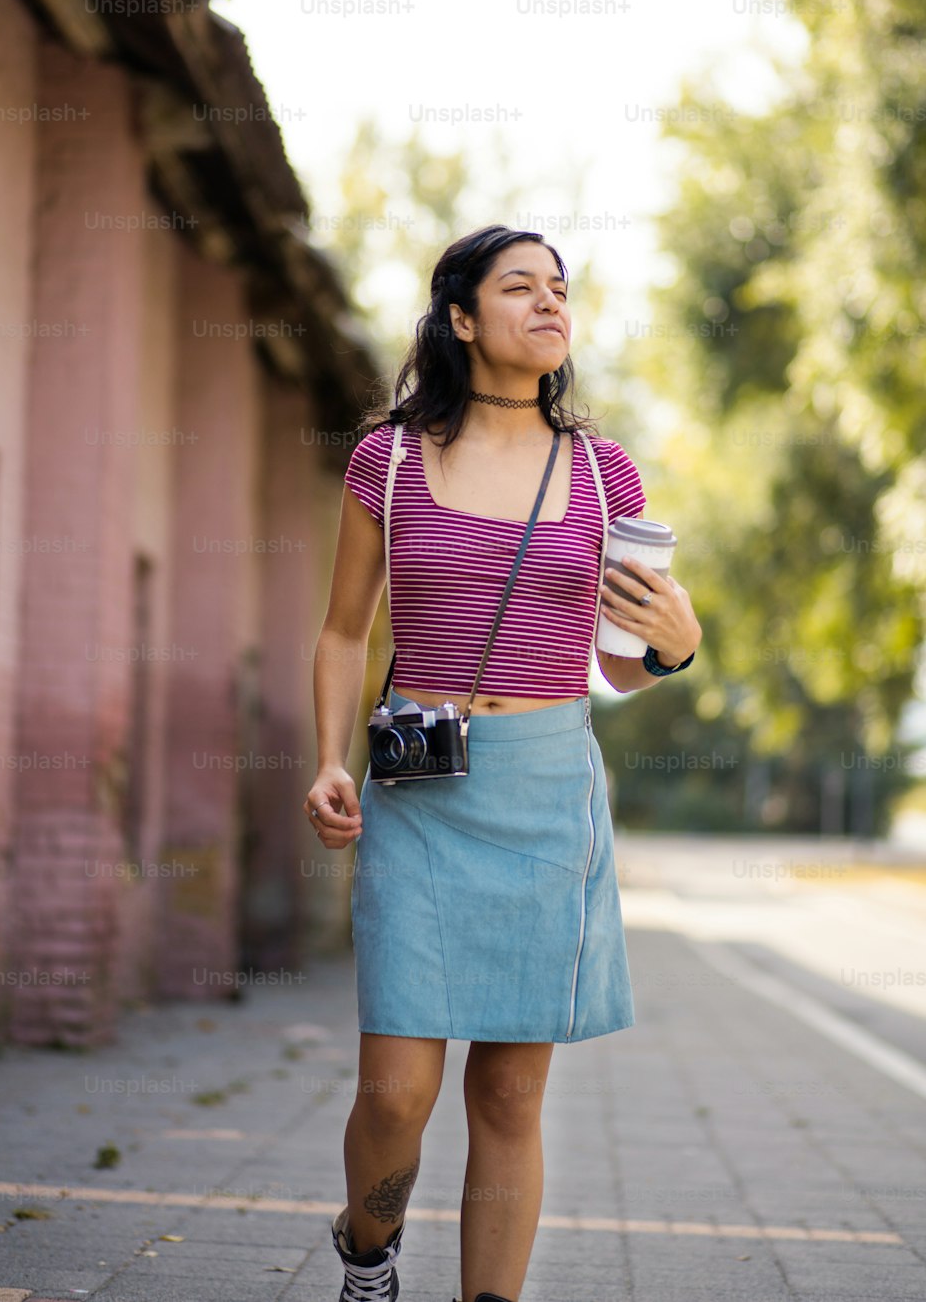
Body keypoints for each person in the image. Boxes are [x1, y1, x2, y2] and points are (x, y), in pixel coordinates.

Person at [305, 224, 702, 1302]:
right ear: (461, 318)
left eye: (559, 288)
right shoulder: (385, 459)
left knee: (510, 1097)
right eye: (518, 286)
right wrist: (327, 759)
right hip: (416, 787)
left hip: (542, 789)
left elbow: (625, 667)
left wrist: (676, 639)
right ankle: (368, 1250)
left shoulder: (601, 471)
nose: (548, 302)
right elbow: (345, 630)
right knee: (394, 1090)